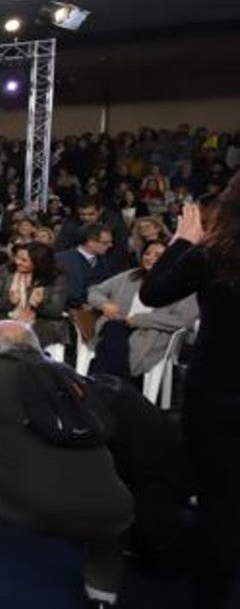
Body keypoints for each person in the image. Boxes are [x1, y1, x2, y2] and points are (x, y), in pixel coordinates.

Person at [0, 321, 134, 609]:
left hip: (33, 501)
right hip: (114, 508)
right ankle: (102, 596)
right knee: (103, 494)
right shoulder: (68, 373)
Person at [140, 180, 240, 608]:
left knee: (218, 503)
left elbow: (153, 292)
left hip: (219, 395)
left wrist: (182, 241)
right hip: (219, 394)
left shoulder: (214, 254)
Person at [87, 241, 198, 382]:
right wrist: (105, 304)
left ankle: (105, 384)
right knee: (112, 328)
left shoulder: (183, 286)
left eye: (158, 255)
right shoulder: (130, 276)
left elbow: (184, 320)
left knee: (110, 338)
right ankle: (118, 385)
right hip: (118, 325)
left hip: (152, 333)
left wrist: (141, 320)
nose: (150, 257)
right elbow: (95, 291)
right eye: (147, 253)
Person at [0, 242, 68, 347]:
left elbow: (55, 311)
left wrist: (38, 305)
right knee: (5, 335)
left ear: (39, 262)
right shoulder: (5, 270)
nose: (17, 262)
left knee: (29, 336)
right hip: (5, 317)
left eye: (24, 260)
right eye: (17, 258)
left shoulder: (55, 277)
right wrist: (9, 302)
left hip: (42, 322)